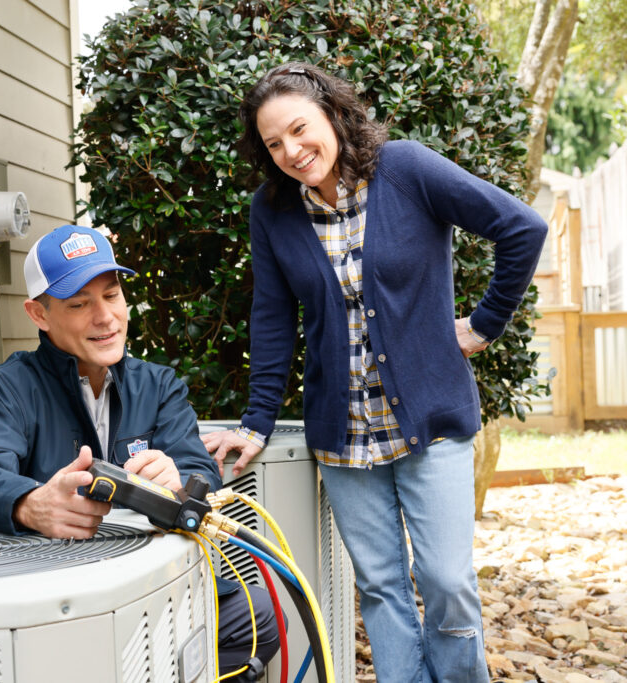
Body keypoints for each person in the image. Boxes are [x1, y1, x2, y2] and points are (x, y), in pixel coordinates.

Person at [202, 62, 548, 683]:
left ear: (334, 114)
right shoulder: (273, 210)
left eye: (300, 129)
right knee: (383, 587)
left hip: (432, 419)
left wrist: (484, 323)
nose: (291, 151)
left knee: (445, 579)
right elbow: (274, 316)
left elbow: (521, 226)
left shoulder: (408, 169)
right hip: (344, 431)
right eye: (273, 143)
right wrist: (255, 423)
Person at [0, 225, 278, 681]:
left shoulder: (158, 385)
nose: (106, 318)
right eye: (79, 304)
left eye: (112, 295)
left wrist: (179, 479)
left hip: (157, 588)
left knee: (256, 617)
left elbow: (201, 467)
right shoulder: (3, 389)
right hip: (58, 603)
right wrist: (30, 504)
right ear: (38, 314)